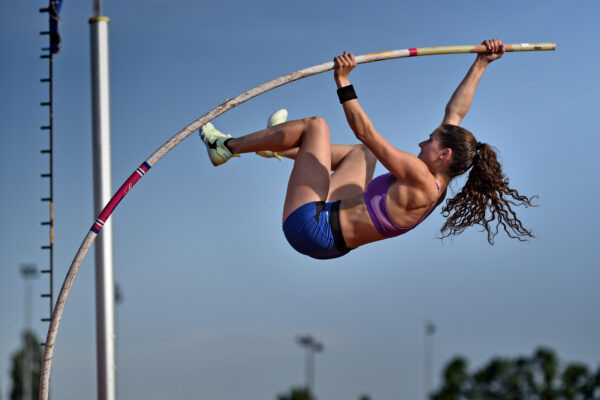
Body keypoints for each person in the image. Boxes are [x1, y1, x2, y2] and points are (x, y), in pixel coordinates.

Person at [199, 38, 535, 259]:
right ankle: (278, 145)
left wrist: (343, 82)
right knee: (364, 157)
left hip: (311, 228)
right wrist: (481, 63)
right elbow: (456, 113)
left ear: (444, 155)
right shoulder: (440, 179)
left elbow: (365, 132)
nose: (421, 142)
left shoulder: (420, 178)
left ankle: (225, 146)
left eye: (430, 141)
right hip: (331, 233)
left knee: (317, 126)